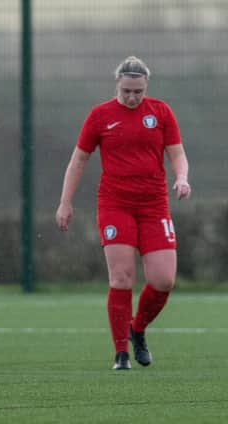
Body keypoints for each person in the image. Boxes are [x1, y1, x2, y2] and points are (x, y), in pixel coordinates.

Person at [55, 56, 191, 370]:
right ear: (117, 84)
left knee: (163, 279)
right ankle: (121, 354)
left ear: (146, 88)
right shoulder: (100, 116)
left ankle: (137, 328)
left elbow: (177, 153)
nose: (132, 97)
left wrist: (181, 177)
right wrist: (65, 202)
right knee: (121, 277)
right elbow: (78, 161)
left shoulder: (160, 112)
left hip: (154, 204)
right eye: (127, 90)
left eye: (138, 92)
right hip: (115, 204)